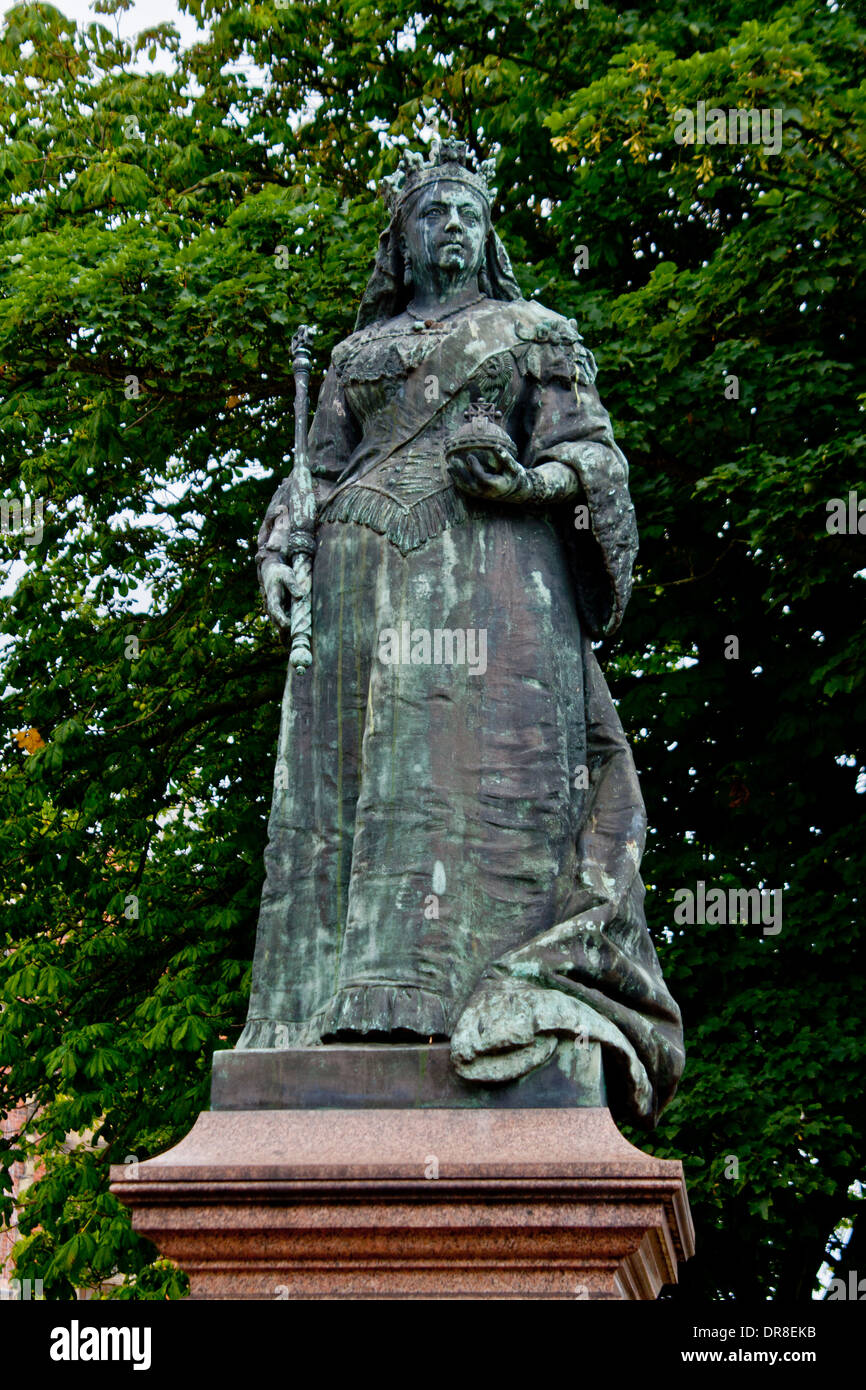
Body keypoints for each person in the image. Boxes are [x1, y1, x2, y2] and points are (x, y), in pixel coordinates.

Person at [237, 138, 684, 1126]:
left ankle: (486, 992)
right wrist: (278, 549)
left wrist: (526, 483)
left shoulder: (533, 333)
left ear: (486, 237)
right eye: (431, 214)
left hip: (488, 580)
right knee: (360, 797)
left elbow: (591, 457)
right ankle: (339, 1008)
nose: (451, 227)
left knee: (469, 784)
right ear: (400, 240)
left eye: (466, 215)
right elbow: (309, 474)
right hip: (355, 593)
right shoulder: (356, 355)